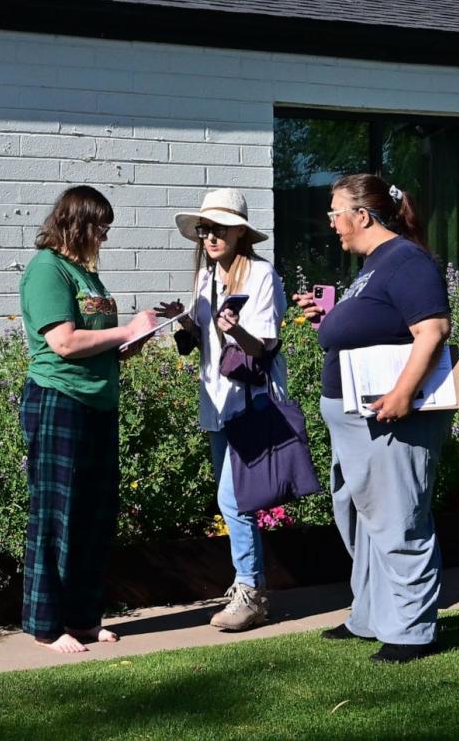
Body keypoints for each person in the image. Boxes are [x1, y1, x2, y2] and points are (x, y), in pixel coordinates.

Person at [294, 173, 453, 663]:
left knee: (397, 518)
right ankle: (368, 615)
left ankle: (411, 631)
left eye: (335, 212)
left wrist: (403, 394)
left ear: (362, 216)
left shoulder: (406, 260)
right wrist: (330, 322)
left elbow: (433, 329)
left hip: (390, 418)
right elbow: (377, 324)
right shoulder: (375, 265)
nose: (332, 224)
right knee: (360, 519)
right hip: (354, 418)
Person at [19, 185, 156, 654]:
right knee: (56, 515)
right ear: (76, 223)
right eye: (101, 227)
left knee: (94, 516)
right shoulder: (46, 271)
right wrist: (127, 329)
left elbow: (99, 343)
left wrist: (138, 336)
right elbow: (63, 342)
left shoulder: (86, 276)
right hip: (58, 400)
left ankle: (83, 617)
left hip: (98, 402)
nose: (104, 237)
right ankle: (46, 624)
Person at [155, 188, 287, 632]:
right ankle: (251, 588)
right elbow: (202, 344)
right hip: (216, 402)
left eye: (219, 228)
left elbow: (265, 346)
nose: (210, 237)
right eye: (205, 229)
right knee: (231, 498)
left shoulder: (262, 276)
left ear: (240, 233)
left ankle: (248, 591)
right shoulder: (206, 277)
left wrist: (238, 330)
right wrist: (186, 321)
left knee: (235, 498)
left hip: (250, 399)